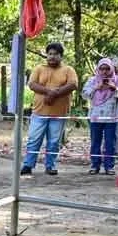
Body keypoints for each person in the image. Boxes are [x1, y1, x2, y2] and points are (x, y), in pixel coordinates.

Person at [21, 42, 78, 176]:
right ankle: (28, 165)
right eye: (50, 54)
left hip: (59, 114)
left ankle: (50, 166)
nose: (52, 57)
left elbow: (73, 85)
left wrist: (55, 94)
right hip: (39, 112)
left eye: (55, 54)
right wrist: (48, 92)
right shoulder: (39, 68)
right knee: (34, 140)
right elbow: (32, 84)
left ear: (61, 56)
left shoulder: (68, 70)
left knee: (53, 141)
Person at [82, 57, 118, 175]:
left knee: (110, 142)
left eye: (107, 68)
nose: (104, 71)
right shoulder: (92, 80)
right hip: (95, 117)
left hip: (112, 117)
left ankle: (109, 166)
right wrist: (97, 87)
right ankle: (95, 165)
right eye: (102, 69)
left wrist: (114, 88)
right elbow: (84, 94)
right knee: (95, 141)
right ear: (98, 69)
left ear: (111, 68)